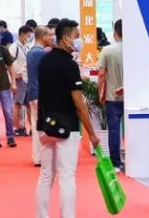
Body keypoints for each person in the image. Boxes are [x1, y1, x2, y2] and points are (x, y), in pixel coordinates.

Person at [35, 20, 100, 218]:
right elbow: (78, 103)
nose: (79, 41)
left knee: (46, 175)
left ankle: (41, 215)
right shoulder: (70, 65)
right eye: (76, 36)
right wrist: (91, 133)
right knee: (67, 176)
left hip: (45, 124)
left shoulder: (44, 61)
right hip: (67, 126)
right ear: (65, 38)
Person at [98, 19, 124, 170]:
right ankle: (132, 160)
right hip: (130, 97)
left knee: (114, 130)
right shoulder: (133, 50)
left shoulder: (107, 51)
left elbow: (101, 75)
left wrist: (100, 93)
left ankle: (116, 163)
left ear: (115, 33)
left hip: (111, 97)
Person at [26, 26, 51, 166]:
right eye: (49, 35)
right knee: (43, 127)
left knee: (36, 126)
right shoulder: (41, 53)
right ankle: (42, 156)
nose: (51, 38)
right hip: (41, 93)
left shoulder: (31, 52)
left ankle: (37, 157)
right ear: (43, 36)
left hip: (32, 92)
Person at [0, 28, 17, 149]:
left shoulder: (3, 49)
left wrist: (13, 82)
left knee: (8, 112)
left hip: (4, 85)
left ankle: (10, 136)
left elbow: (10, 65)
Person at [10, 25, 33, 137]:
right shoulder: (14, 47)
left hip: (26, 78)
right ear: (22, 35)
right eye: (28, 36)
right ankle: (17, 128)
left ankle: (32, 127)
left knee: (29, 104)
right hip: (19, 78)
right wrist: (13, 77)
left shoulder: (26, 47)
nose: (29, 38)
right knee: (17, 104)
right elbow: (9, 63)